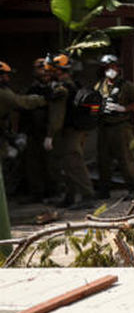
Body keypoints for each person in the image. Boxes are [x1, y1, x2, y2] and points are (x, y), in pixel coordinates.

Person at [45, 53, 96, 208]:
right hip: (72, 130)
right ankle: (70, 196)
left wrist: (50, 135)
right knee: (67, 164)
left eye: (51, 69)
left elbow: (57, 116)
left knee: (74, 162)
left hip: (71, 131)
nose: (48, 72)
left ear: (58, 70)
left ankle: (88, 196)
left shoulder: (62, 89)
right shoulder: (72, 85)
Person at [94, 54, 134, 197]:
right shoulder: (100, 85)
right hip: (104, 127)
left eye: (113, 67)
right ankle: (104, 190)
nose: (110, 70)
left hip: (121, 127)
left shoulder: (126, 86)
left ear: (117, 68)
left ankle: (133, 189)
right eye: (107, 68)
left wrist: (124, 108)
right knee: (103, 160)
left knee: (126, 159)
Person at [1, 60, 47, 194]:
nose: (7, 78)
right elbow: (21, 102)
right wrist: (45, 98)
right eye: (5, 75)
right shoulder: (3, 93)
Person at [18, 59, 58, 201]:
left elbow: (57, 113)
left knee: (52, 164)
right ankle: (37, 193)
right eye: (39, 68)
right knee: (33, 164)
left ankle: (54, 192)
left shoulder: (56, 89)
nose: (43, 72)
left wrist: (52, 133)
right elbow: (24, 112)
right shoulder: (31, 89)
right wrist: (22, 133)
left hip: (50, 133)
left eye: (45, 69)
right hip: (33, 132)